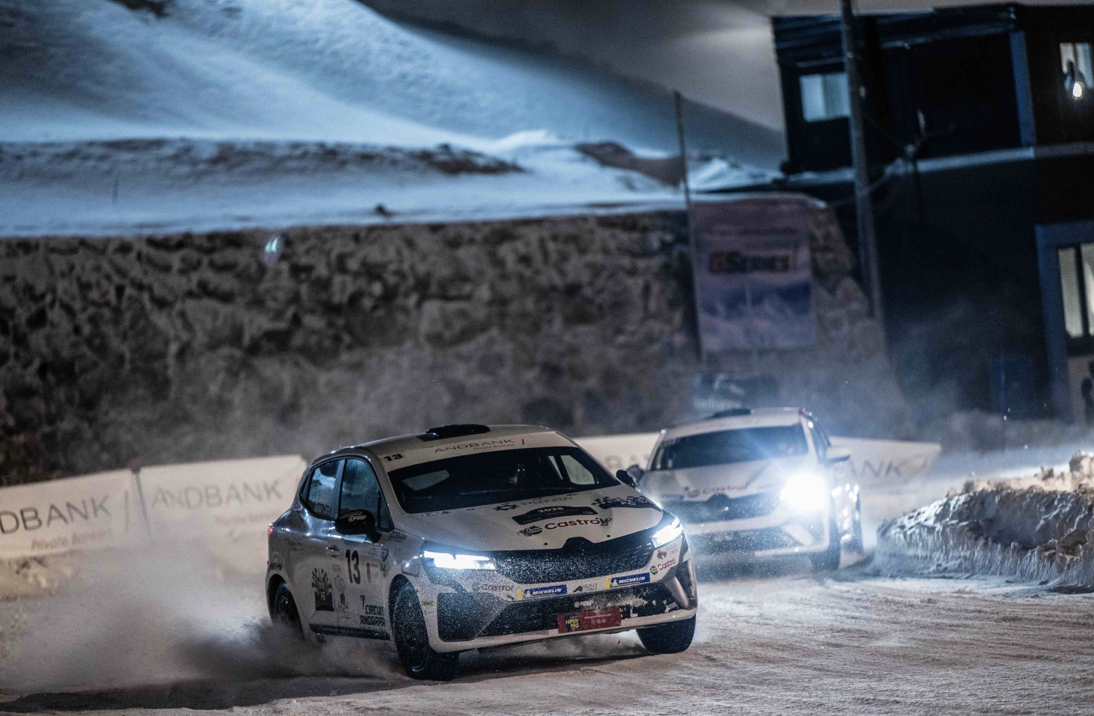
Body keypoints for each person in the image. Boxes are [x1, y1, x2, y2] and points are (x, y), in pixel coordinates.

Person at [1081, 359, 1094, 426]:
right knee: (1090, 424)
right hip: (1090, 404)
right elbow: (1084, 393)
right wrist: (1090, 401)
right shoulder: (1087, 379)